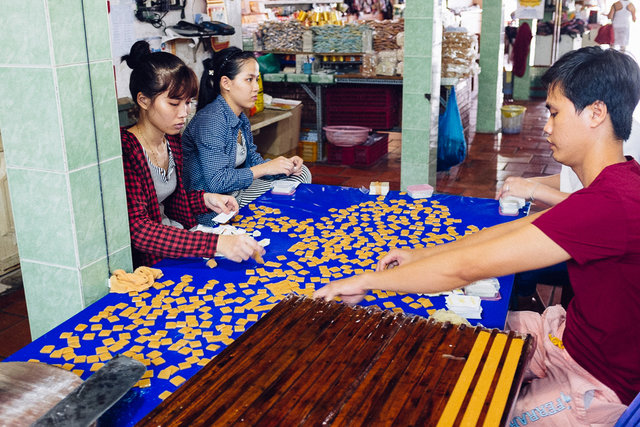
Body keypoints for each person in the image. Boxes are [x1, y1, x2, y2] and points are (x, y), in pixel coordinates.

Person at [314, 46, 640, 425]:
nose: (547, 126)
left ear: (596, 113)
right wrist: (425, 253)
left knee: (461, 413)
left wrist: (368, 281)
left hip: (595, 383)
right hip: (565, 337)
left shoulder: (613, 203)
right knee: (448, 337)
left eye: (554, 112)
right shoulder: (617, 182)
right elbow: (518, 230)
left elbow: (467, 268)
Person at [120, 41, 263, 268]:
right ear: (143, 100)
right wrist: (215, 243)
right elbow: (139, 231)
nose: (184, 114)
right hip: (154, 257)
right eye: (174, 103)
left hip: (179, 236)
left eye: (187, 103)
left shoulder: (171, 140)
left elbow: (173, 201)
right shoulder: (127, 150)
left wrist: (206, 199)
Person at [182, 47, 312, 224]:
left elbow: (253, 161)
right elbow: (217, 182)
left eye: (257, 80)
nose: (256, 88)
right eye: (249, 80)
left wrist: (283, 166)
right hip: (217, 204)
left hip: (237, 191)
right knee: (283, 198)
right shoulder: (211, 121)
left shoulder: (240, 118)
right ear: (226, 83)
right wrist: (266, 169)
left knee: (300, 173)